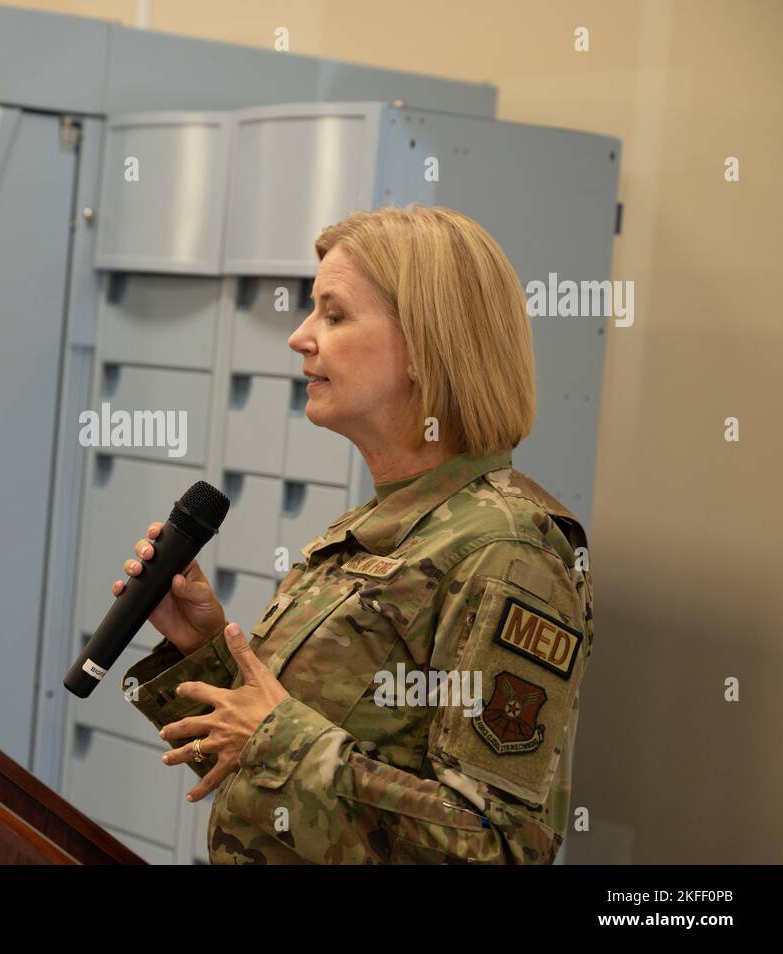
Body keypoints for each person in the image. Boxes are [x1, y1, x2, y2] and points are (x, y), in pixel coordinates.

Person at [115, 205, 593, 864]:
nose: (301, 337)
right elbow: (275, 787)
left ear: (427, 346)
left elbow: (498, 846)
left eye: (334, 315)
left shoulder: (508, 552)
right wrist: (201, 648)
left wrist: (279, 739)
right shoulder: (377, 527)